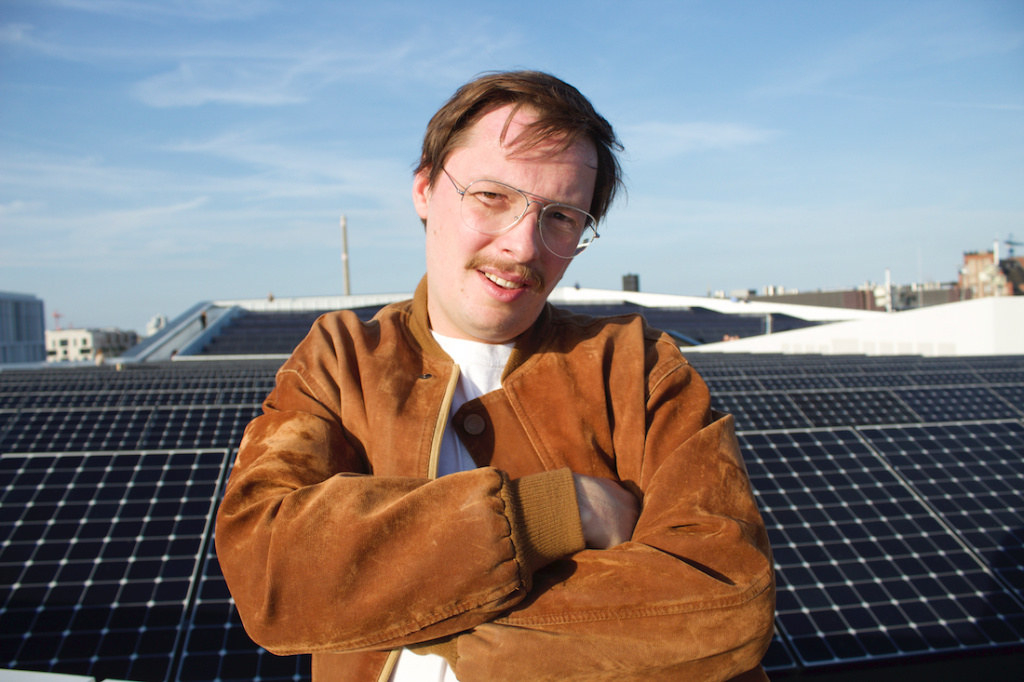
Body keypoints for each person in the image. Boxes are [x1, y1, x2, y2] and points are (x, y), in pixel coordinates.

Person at [215, 70, 774, 682]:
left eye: (561, 217)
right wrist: (551, 512)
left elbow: (726, 598)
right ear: (425, 189)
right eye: (491, 196)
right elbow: (267, 572)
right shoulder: (341, 360)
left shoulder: (635, 366)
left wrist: (426, 621)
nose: (523, 246)